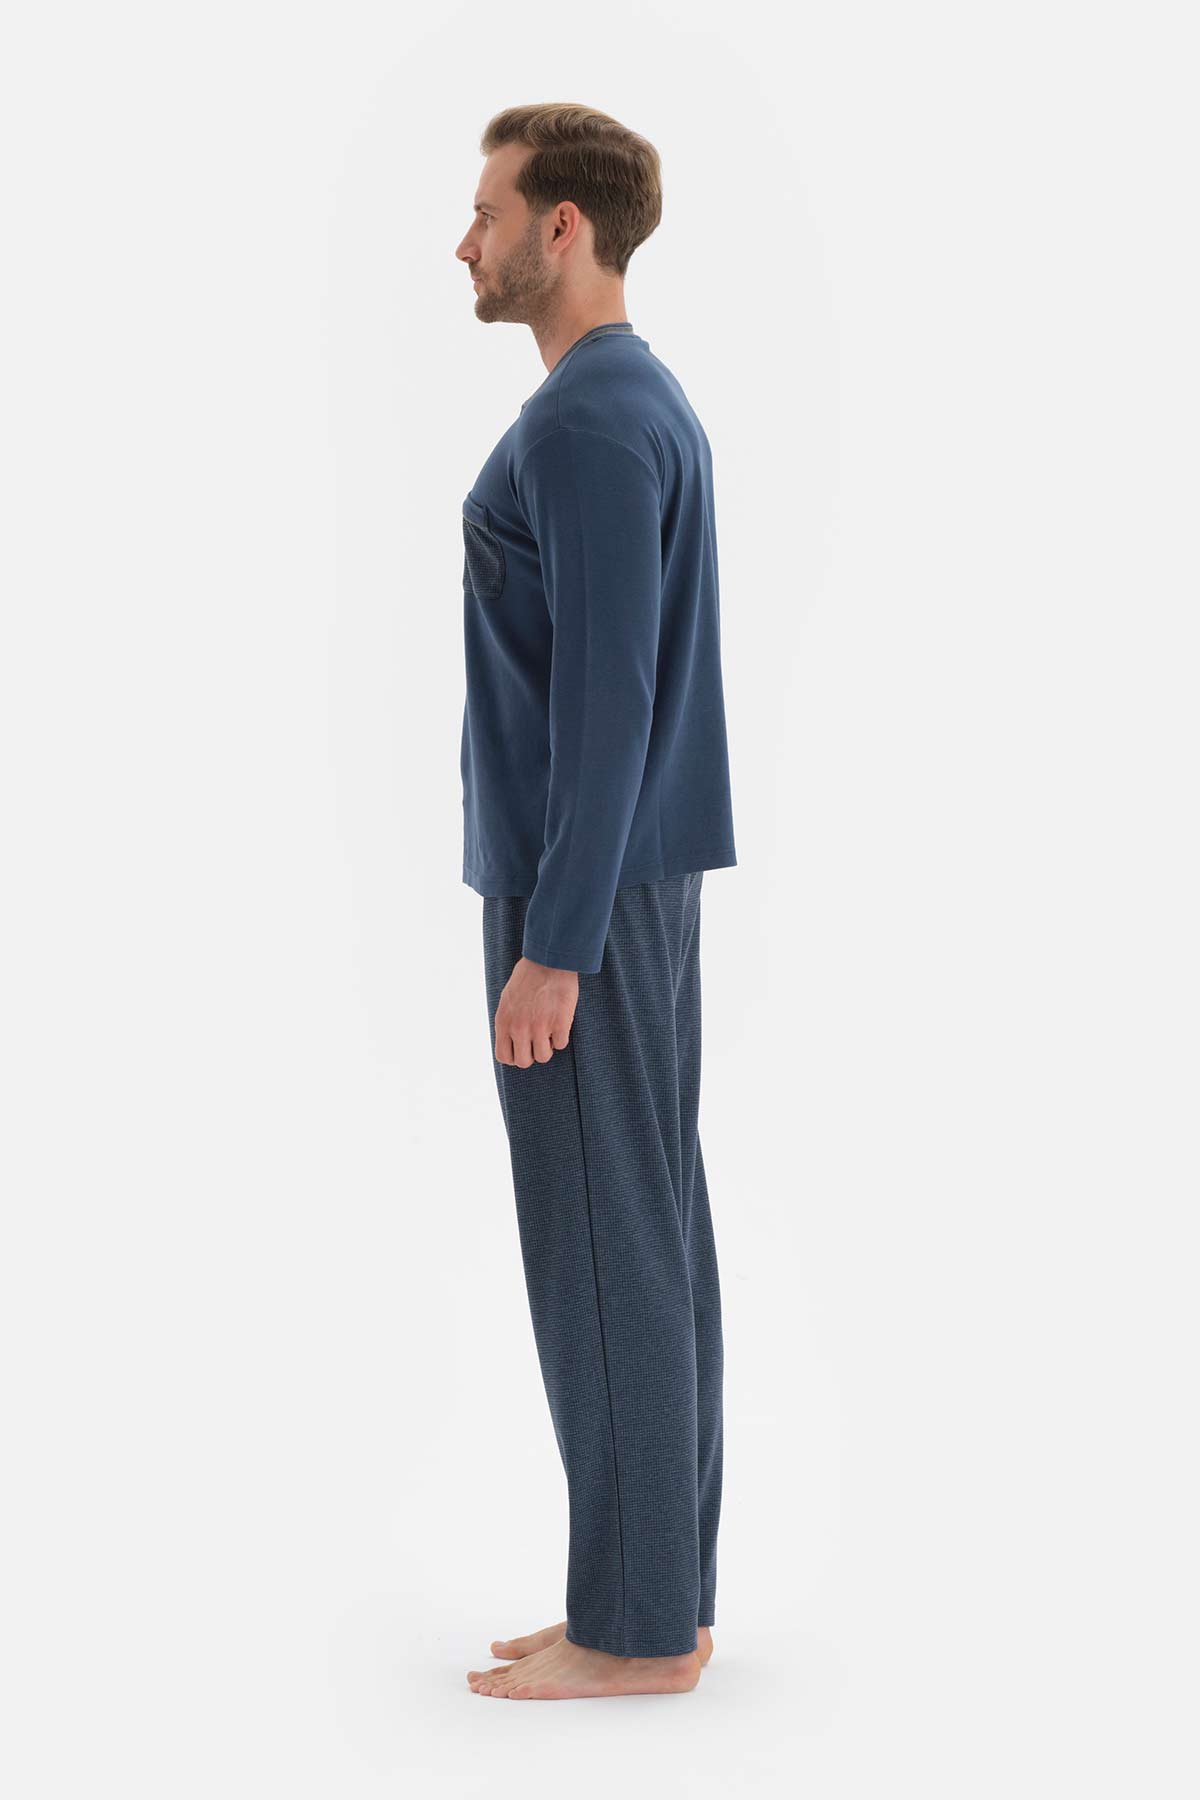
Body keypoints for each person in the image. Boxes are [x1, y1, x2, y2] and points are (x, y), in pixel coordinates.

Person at [454, 103, 738, 1702]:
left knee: (602, 1242)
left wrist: (551, 945)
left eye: (489, 212)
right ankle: (657, 1601)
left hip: (585, 894)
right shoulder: (638, 400)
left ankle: (632, 1633)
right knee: (646, 1224)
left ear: (564, 227)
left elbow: (609, 702)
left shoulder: (585, 422)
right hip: (637, 879)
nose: (467, 242)